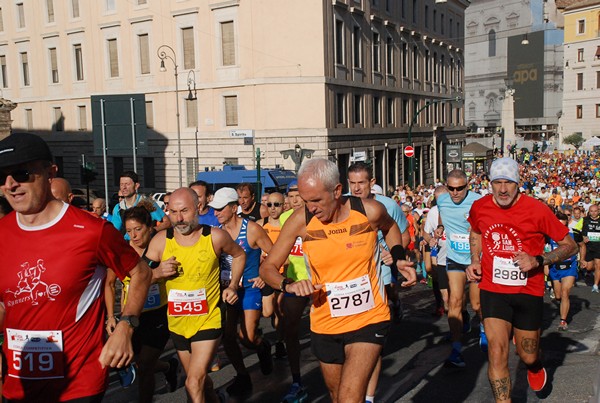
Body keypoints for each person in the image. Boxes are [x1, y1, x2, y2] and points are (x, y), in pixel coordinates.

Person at [0, 132, 152, 402]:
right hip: (19, 381)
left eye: (21, 173)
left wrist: (125, 326)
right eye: (2, 177)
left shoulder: (91, 230)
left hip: (78, 382)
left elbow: (140, 271)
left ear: (50, 172)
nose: (11, 184)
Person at [260, 158, 416, 403]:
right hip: (326, 321)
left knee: (350, 397)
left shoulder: (368, 211)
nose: (310, 207)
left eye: (316, 200)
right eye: (305, 200)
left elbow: (391, 228)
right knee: (336, 396)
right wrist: (287, 284)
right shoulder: (301, 220)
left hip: (369, 316)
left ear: (336, 191)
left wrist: (398, 258)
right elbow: (268, 268)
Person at [467, 157, 578, 401]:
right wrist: (475, 259)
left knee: (527, 354)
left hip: (528, 290)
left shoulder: (537, 209)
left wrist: (538, 260)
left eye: (509, 182)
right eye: (497, 183)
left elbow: (570, 246)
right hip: (493, 289)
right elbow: (475, 231)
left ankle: (535, 366)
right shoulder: (480, 207)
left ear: (518, 184)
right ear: (490, 183)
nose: (503, 189)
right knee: (496, 352)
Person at [145, 188, 246, 403]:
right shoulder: (161, 241)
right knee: (200, 381)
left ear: (198, 208)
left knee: (192, 382)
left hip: (208, 318)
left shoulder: (215, 236)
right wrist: (156, 273)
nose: (179, 219)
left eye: (184, 211)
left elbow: (239, 255)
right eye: (173, 212)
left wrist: (233, 285)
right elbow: (139, 276)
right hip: (178, 321)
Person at [346, 161, 409, 403]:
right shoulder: (343, 204)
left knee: (372, 341)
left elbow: (402, 233)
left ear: (371, 183)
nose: (357, 188)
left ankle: (369, 397)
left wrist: (396, 254)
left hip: (379, 272)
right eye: (352, 183)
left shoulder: (388, 205)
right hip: (351, 276)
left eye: (361, 182)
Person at [104, 202, 178, 401]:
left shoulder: (161, 247)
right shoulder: (122, 252)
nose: (133, 235)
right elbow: (109, 284)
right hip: (131, 315)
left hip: (158, 314)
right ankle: (169, 366)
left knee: (145, 366)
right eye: (129, 231)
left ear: (150, 227)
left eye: (138, 229)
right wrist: (111, 316)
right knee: (135, 361)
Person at [209, 187, 274, 399]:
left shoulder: (252, 229)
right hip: (228, 290)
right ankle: (242, 374)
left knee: (246, 337)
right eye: (214, 209)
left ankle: (262, 346)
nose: (216, 213)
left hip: (250, 288)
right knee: (227, 338)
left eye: (220, 208)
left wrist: (265, 276)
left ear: (234, 208)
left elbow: (275, 254)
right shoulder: (215, 232)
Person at [437, 169, 483, 367]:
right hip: (454, 258)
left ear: (468, 186)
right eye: (452, 188)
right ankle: (456, 348)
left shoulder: (478, 201)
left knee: (476, 304)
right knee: (454, 301)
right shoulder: (442, 200)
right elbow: (442, 215)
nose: (455, 192)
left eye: (460, 188)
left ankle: (484, 328)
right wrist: (440, 227)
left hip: (477, 259)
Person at [277, 180, 311, 403]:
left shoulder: (316, 216)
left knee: (327, 332)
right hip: (296, 280)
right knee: (290, 329)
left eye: (299, 195)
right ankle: (297, 380)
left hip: (319, 280)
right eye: (290, 195)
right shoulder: (283, 219)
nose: (294, 199)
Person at [256, 192, 287, 358]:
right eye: (269, 205)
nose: (273, 208)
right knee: (268, 312)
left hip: (284, 273)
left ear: (284, 205)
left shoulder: (288, 225)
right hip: (266, 273)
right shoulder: (261, 225)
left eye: (277, 205)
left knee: (279, 310)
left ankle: (280, 342)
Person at [111, 171, 170, 236]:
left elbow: (167, 222)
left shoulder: (147, 203)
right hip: (127, 245)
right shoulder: (119, 207)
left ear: (136, 186)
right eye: (121, 184)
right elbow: (113, 231)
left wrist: (151, 231)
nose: (124, 187)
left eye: (127, 184)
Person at [548, 211, 579, 331]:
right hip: (555, 268)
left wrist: (583, 259)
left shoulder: (574, 234)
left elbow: (582, 245)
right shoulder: (548, 234)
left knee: (565, 292)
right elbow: (544, 248)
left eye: (563, 226)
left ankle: (563, 321)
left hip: (569, 267)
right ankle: (561, 303)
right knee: (558, 295)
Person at [580, 204, 600, 292]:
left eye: (595, 211)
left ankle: (595, 285)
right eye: (591, 211)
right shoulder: (584, 220)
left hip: (598, 247)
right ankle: (592, 272)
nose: (593, 213)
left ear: (598, 211)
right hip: (588, 247)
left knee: (598, 265)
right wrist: (583, 237)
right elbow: (576, 231)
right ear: (589, 212)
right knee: (588, 267)